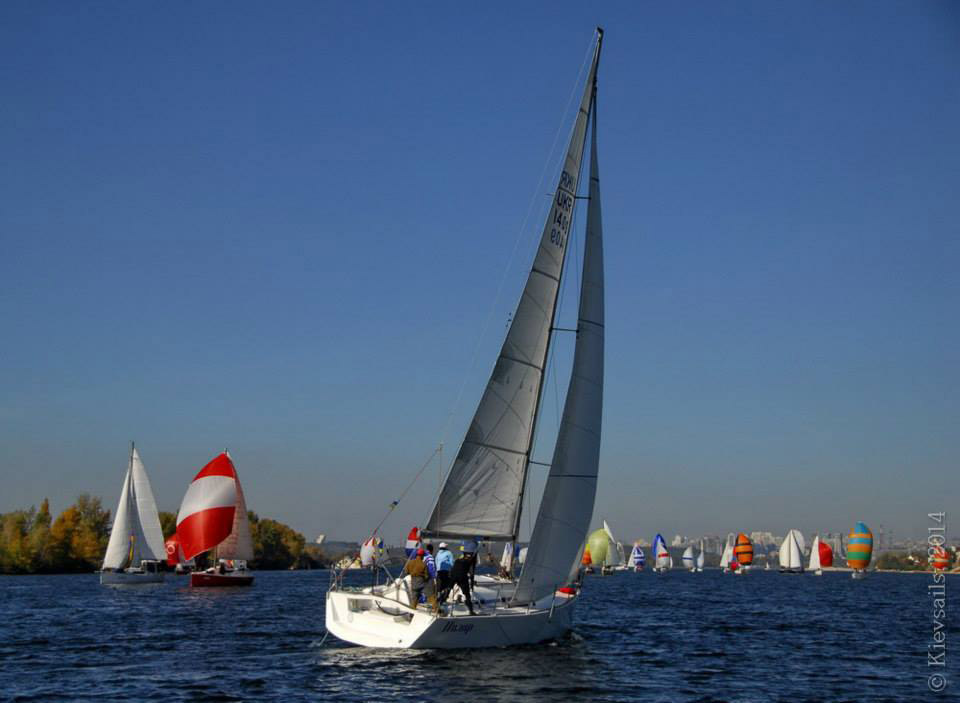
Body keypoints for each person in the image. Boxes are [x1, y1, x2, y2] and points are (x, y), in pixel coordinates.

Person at [403, 548, 438, 613]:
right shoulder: (423, 564)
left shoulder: (410, 562)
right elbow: (426, 576)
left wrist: (412, 573)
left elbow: (406, 572)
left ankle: (412, 612)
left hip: (414, 583)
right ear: (422, 556)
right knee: (431, 597)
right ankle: (436, 610)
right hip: (422, 583)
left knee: (414, 599)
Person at [450, 541, 478, 615]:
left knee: (448, 589)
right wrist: (471, 583)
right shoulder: (470, 561)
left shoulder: (458, 560)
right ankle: (471, 611)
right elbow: (471, 573)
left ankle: (440, 604)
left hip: (453, 574)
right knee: (467, 595)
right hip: (462, 576)